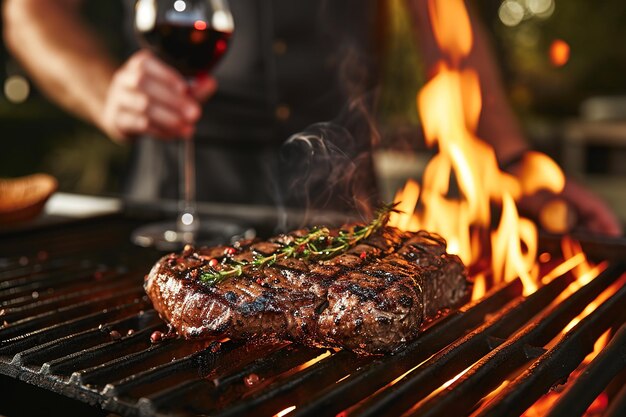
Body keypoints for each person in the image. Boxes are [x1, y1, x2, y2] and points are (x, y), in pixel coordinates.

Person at [2, 0, 622, 236]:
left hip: (347, 212)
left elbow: (446, 25)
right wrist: (105, 90)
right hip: (177, 205)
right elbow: (28, 11)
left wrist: (514, 164)